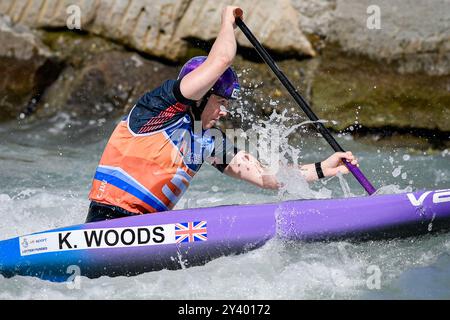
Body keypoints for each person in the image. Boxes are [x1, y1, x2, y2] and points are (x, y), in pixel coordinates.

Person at [85, 6, 359, 223]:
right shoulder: (156, 108)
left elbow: (267, 177)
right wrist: (227, 22)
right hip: (104, 224)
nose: (225, 109)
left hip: (148, 231)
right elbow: (221, 61)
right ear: (200, 95)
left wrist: (325, 168)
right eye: (219, 101)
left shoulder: (207, 141)